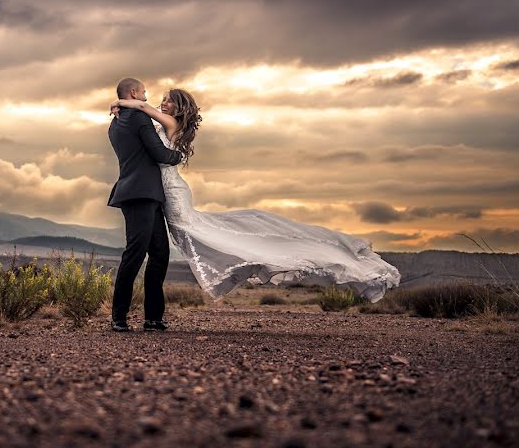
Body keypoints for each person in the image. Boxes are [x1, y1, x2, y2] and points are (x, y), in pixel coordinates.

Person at [110, 89, 401, 302]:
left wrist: (121, 102)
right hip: (162, 191)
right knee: (195, 239)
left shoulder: (170, 124)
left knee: (206, 233)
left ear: (179, 106)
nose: (162, 102)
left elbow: (144, 109)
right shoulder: (164, 123)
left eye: (168, 99)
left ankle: (281, 254)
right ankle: (153, 312)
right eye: (162, 99)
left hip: (171, 193)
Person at [107, 78, 184, 332]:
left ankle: (153, 317)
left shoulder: (115, 122)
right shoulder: (138, 119)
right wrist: (179, 155)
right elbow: (159, 153)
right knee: (135, 254)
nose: (147, 96)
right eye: (143, 92)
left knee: (160, 253)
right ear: (133, 93)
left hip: (144, 194)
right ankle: (118, 317)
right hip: (140, 193)